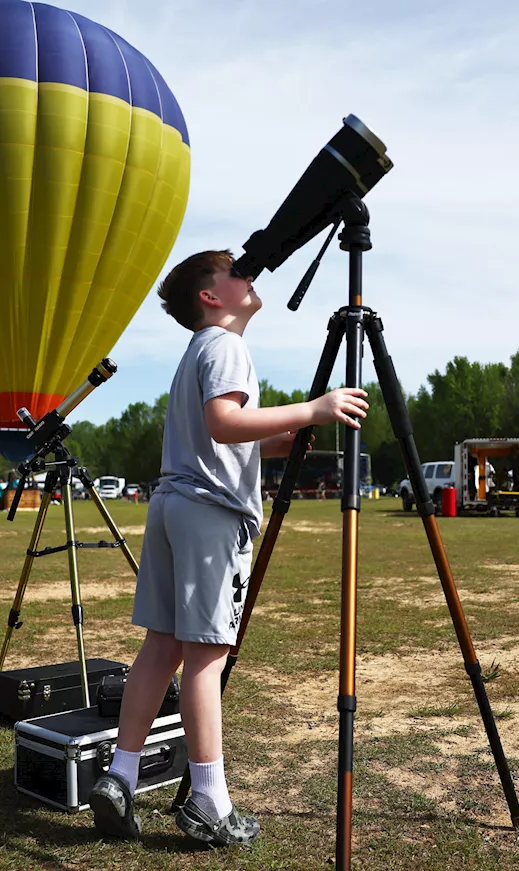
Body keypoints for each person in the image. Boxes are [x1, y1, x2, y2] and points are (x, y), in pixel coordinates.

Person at [87, 250, 369, 848]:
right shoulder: (225, 345)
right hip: (209, 515)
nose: (250, 276)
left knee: (159, 649)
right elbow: (223, 422)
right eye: (236, 272)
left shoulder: (195, 353)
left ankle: (121, 776)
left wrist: (280, 435)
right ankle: (210, 804)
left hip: (171, 503)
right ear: (211, 297)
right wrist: (315, 408)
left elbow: (224, 437)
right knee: (205, 656)